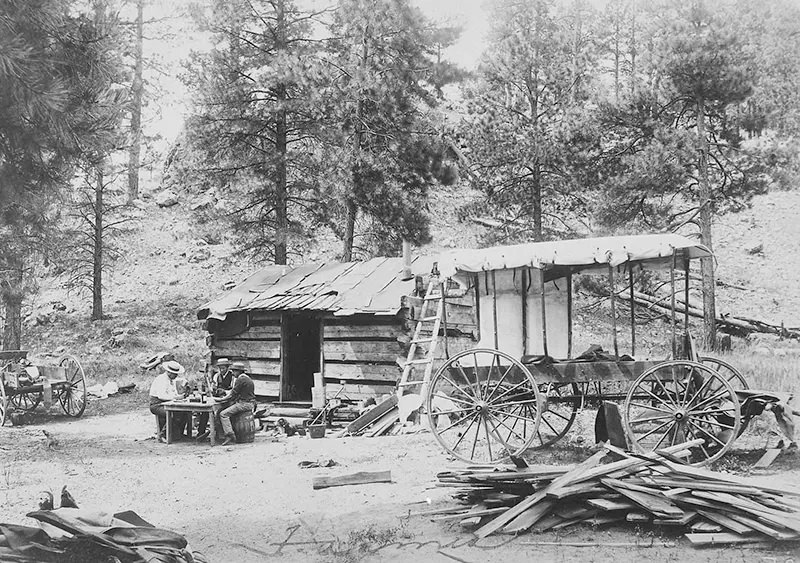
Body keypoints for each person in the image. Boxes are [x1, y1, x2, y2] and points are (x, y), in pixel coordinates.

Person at [149, 360, 189, 442]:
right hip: (157, 404)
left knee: (184, 412)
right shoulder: (161, 380)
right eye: (174, 374)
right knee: (172, 413)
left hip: (167, 403)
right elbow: (161, 396)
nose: (176, 376)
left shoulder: (171, 380)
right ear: (169, 372)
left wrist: (180, 397)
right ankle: (162, 435)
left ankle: (178, 434)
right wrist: (175, 398)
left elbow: (173, 393)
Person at [218, 362, 256, 446]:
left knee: (223, 414)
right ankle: (222, 434)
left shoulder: (240, 379)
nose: (233, 373)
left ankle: (229, 435)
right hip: (250, 403)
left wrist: (221, 399)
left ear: (239, 371)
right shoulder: (247, 378)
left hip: (244, 404)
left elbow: (233, 394)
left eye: (234, 371)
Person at [196, 358, 233, 441]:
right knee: (206, 411)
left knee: (219, 413)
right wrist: (213, 389)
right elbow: (213, 388)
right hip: (217, 399)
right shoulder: (216, 376)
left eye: (223, 368)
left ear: (227, 368)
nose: (222, 370)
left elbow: (233, 391)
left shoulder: (232, 376)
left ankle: (219, 434)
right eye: (220, 368)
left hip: (228, 399)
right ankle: (200, 433)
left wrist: (225, 392)